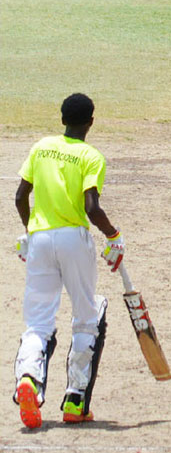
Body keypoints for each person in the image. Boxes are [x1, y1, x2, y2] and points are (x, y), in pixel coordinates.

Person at [12, 93, 123, 429]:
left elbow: (20, 197)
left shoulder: (41, 147)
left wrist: (30, 232)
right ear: (91, 122)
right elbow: (92, 208)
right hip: (74, 240)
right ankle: (75, 401)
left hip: (41, 240)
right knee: (88, 316)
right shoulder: (91, 156)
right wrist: (113, 236)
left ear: (62, 119)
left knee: (38, 323)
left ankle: (29, 379)